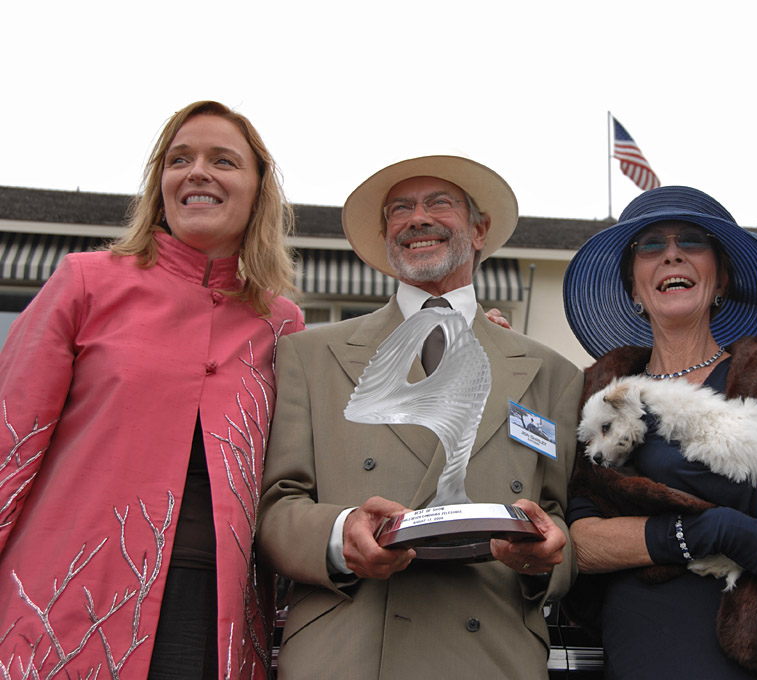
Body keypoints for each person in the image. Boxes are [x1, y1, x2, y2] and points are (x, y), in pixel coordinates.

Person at [0, 101, 305, 679]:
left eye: (224, 160)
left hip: (216, 614)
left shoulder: (282, 322)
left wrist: (468, 341)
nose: (197, 172)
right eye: (179, 159)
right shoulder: (85, 283)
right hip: (67, 599)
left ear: (259, 188)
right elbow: (8, 448)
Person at [256, 155, 583, 679]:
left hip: (494, 656)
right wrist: (342, 536)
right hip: (349, 655)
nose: (417, 218)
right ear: (388, 235)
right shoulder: (310, 356)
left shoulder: (553, 374)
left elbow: (558, 520)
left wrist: (547, 558)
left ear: (479, 230)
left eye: (439, 203)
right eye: (400, 209)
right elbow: (274, 511)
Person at [562, 185, 757, 679]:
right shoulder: (593, 396)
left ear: (721, 280)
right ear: (633, 288)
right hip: (641, 640)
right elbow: (580, 541)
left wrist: (719, 488)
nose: (672, 254)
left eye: (692, 240)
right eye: (650, 246)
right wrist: (707, 531)